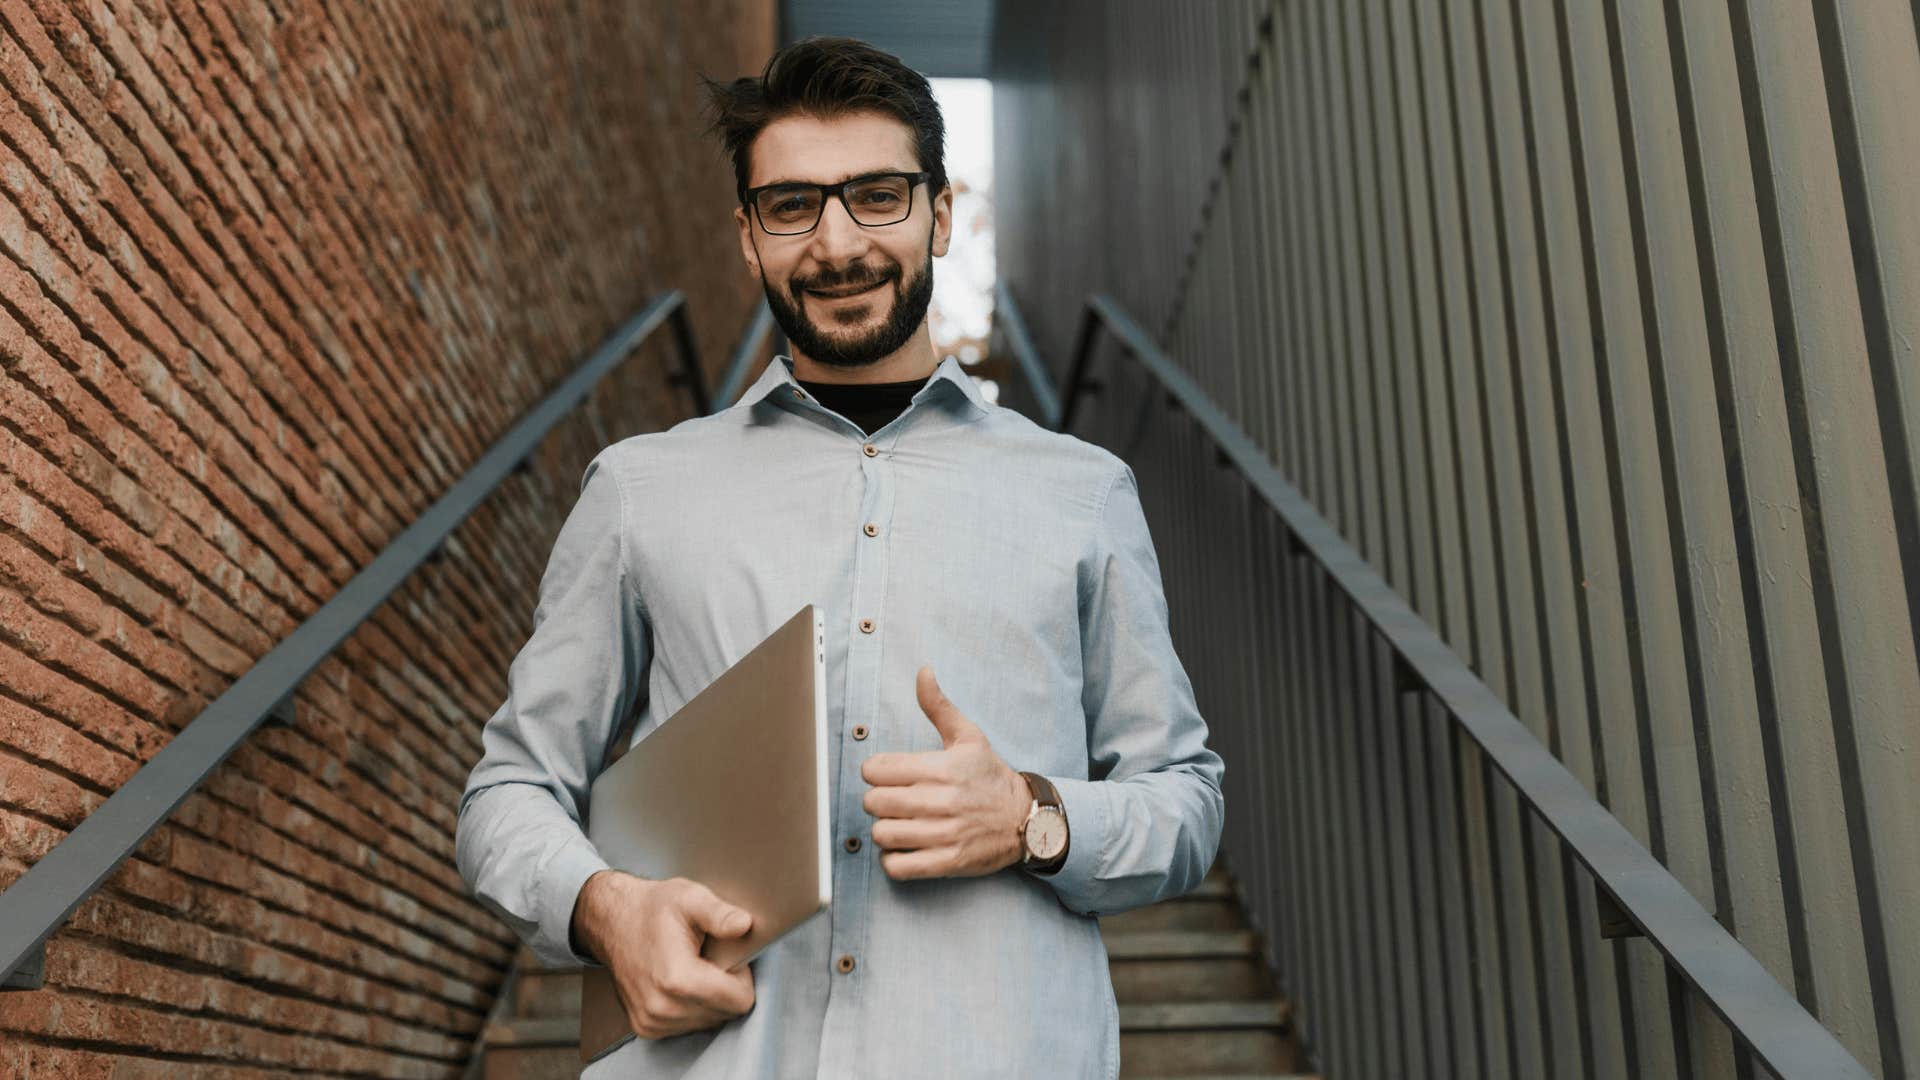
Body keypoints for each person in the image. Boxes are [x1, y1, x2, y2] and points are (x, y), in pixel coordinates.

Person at [454, 35, 1225, 1078]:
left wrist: (1031, 818)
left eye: (877, 195)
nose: (837, 243)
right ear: (747, 236)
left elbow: (1185, 799)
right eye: (793, 206)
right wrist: (605, 911)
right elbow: (508, 790)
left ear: (939, 214)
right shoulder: (640, 491)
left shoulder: (1083, 493)